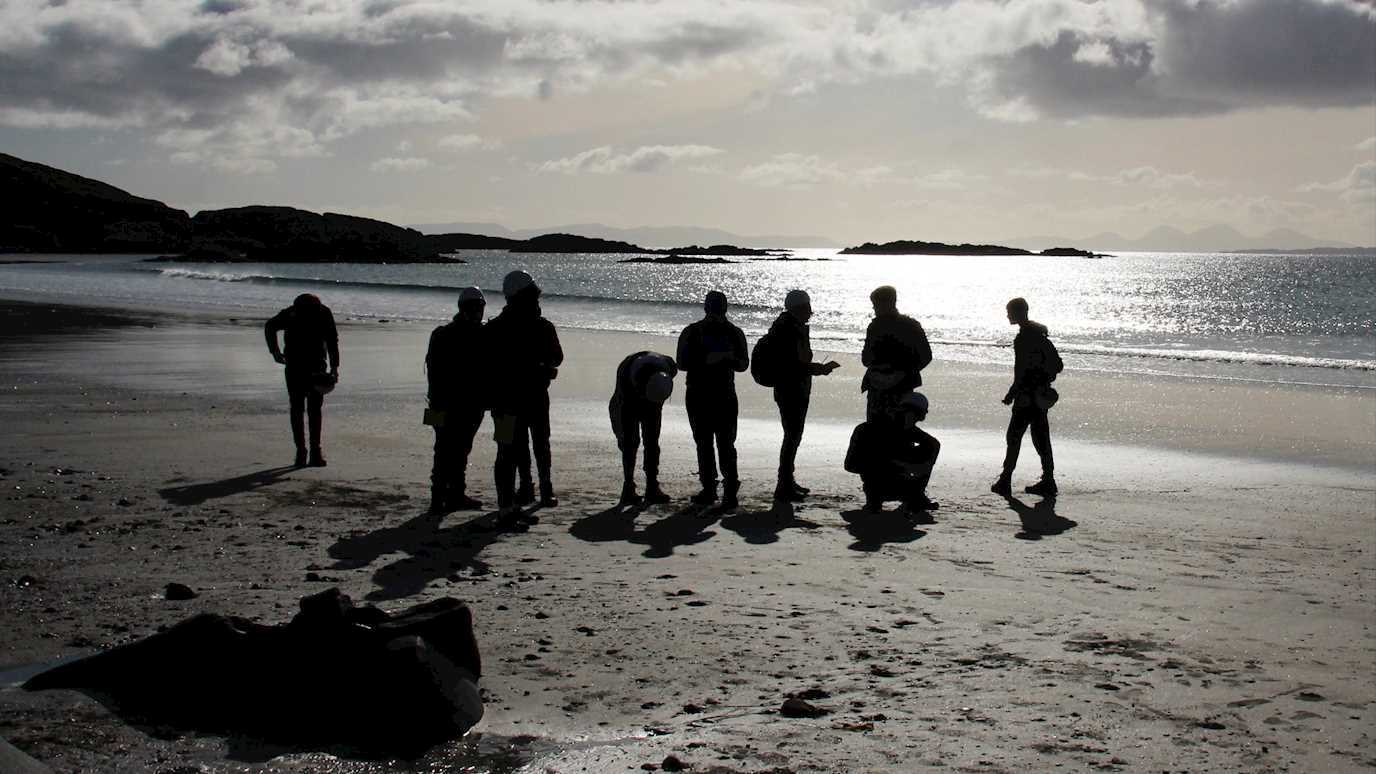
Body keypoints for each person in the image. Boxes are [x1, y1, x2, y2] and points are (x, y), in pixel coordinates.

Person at [485, 271, 564, 513]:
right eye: (534, 297)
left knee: (511, 448)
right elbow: (557, 358)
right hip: (528, 398)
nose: (537, 302)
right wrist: (541, 367)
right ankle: (539, 489)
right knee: (535, 443)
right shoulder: (542, 327)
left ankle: (521, 494)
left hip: (508, 401)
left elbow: (485, 366)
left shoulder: (494, 328)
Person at [675, 291, 749, 509]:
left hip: (709, 393)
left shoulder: (694, 331)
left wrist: (724, 358)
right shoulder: (732, 332)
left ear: (706, 307)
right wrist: (713, 359)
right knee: (719, 443)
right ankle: (722, 490)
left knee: (710, 443)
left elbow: (681, 363)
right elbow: (743, 364)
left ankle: (716, 490)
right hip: (715, 394)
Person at [768, 289, 840, 502]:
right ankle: (784, 484)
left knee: (792, 436)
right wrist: (820, 369)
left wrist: (814, 368)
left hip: (792, 388)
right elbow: (794, 365)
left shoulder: (788, 326)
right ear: (800, 308)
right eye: (808, 307)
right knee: (792, 436)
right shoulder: (789, 329)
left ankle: (787, 480)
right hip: (791, 389)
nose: (811, 312)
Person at [424, 286, 488, 514]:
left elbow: (431, 370)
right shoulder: (479, 335)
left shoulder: (441, 333)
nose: (477, 312)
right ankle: (449, 496)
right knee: (455, 450)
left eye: (478, 307)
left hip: (441, 402)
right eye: (475, 307)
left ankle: (444, 496)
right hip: (462, 404)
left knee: (447, 450)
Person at [991, 297, 1062, 497]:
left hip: (1026, 397)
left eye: (1009, 312)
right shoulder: (1040, 335)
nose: (1007, 315)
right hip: (1039, 397)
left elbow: (1021, 371)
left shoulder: (1023, 338)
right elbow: (1058, 365)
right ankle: (1048, 481)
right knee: (1041, 439)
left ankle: (1005, 481)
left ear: (1018, 312)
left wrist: (1011, 393)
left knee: (1014, 437)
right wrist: (1043, 379)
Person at [265, 293, 339, 467]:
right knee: (308, 409)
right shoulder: (305, 312)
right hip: (303, 366)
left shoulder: (304, 312)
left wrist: (335, 366)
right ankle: (309, 452)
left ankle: (307, 452)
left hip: (308, 367)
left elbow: (270, 326)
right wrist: (274, 351)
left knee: (303, 408)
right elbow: (332, 341)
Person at [844, 391, 940, 513]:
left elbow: (934, 445)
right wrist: (894, 463)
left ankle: (916, 495)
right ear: (906, 412)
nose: (915, 422)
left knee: (929, 448)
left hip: (898, 484)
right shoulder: (867, 430)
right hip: (875, 486)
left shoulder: (908, 430)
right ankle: (913, 496)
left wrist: (919, 467)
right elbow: (850, 465)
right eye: (916, 417)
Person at [609, 351, 678, 507]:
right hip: (628, 400)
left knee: (652, 442)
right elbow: (617, 404)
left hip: (654, 398)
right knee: (629, 442)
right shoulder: (626, 373)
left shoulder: (669, 366)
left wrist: (656, 401)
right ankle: (628, 486)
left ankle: (652, 486)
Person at [860, 285, 932, 421]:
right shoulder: (911, 325)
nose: (874, 309)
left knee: (876, 428)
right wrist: (906, 372)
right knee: (900, 429)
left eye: (875, 305)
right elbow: (926, 356)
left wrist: (894, 372)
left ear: (886, 303)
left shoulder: (875, 327)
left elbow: (866, 359)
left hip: (881, 388)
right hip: (902, 386)